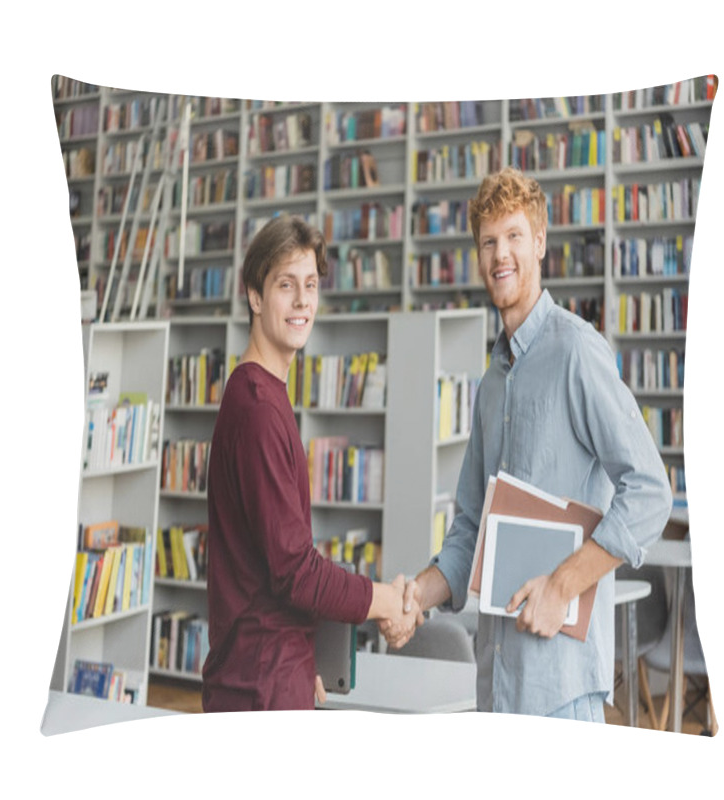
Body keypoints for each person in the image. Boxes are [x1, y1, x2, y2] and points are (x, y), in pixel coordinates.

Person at [382, 167, 673, 722]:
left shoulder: (577, 353)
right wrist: (416, 595)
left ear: (539, 242)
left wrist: (563, 584)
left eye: (514, 236)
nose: (501, 254)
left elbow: (651, 493)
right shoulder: (491, 382)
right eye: (488, 242)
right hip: (496, 679)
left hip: (561, 685)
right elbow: (471, 526)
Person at [202, 215, 413, 712]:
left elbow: (270, 564)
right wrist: (387, 601)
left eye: (311, 285)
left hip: (274, 673)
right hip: (257, 687)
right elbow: (294, 571)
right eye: (285, 285)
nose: (302, 301)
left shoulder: (264, 394)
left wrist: (301, 659)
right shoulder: (257, 409)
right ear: (255, 296)